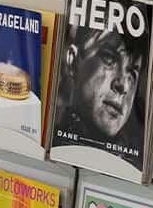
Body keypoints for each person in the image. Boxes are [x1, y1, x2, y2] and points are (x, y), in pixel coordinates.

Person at [53, 10, 147, 160]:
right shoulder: (49, 145)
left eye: (132, 74)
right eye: (109, 58)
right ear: (73, 62)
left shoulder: (135, 164)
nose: (123, 86)